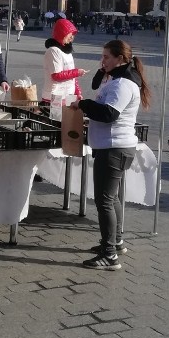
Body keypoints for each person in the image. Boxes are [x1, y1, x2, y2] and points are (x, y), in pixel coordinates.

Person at [70, 40, 150, 270]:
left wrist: (83, 104)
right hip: (113, 146)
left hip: (114, 148)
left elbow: (109, 114)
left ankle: (109, 254)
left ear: (120, 59)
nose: (102, 61)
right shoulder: (117, 80)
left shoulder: (122, 84)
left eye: (106, 57)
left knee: (104, 200)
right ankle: (115, 242)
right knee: (111, 198)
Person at [41, 18, 87, 103]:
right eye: (70, 34)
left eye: (73, 34)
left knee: (69, 116)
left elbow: (72, 74)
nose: (72, 37)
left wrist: (77, 92)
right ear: (63, 33)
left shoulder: (67, 51)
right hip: (55, 95)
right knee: (56, 116)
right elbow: (56, 75)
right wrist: (77, 72)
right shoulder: (53, 50)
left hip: (69, 94)